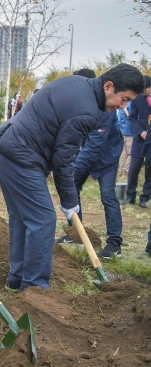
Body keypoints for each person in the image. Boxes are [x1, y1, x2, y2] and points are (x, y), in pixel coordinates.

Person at [0, 64, 143, 291]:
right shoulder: (87, 111)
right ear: (108, 86)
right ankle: (35, 289)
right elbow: (63, 159)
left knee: (23, 217)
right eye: (123, 99)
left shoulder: (76, 84)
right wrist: (70, 201)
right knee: (43, 219)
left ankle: (17, 279)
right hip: (21, 155)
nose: (122, 107)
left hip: (7, 147)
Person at [68, 99, 124, 260]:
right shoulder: (80, 104)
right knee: (70, 188)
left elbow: (95, 144)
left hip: (107, 158)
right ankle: (76, 233)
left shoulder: (107, 107)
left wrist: (76, 169)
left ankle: (114, 244)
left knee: (108, 195)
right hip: (85, 153)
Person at [124, 75, 151, 206]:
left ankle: (145, 198)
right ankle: (130, 196)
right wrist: (141, 132)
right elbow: (132, 118)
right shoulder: (137, 99)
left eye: (144, 89)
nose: (142, 92)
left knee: (149, 171)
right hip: (140, 139)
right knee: (133, 168)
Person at [117, 99, 133, 178]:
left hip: (123, 132)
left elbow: (118, 120)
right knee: (131, 154)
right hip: (130, 132)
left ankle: (120, 171)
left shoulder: (122, 104)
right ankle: (126, 172)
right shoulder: (132, 104)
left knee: (124, 154)